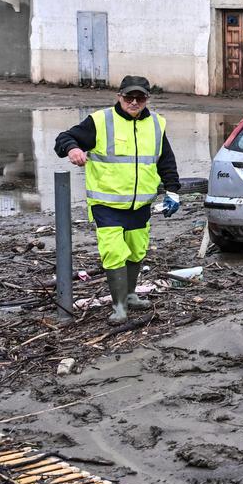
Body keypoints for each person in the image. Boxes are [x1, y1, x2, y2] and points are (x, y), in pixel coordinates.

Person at [54, 76, 182, 322]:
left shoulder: (156, 124)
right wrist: (73, 149)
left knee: (136, 251)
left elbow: (166, 160)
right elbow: (64, 138)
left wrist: (172, 191)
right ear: (119, 97)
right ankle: (119, 306)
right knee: (113, 252)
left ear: (147, 99)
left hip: (140, 204)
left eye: (140, 98)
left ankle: (131, 295)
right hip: (107, 205)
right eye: (129, 97)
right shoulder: (100, 121)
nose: (134, 102)